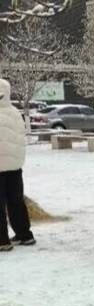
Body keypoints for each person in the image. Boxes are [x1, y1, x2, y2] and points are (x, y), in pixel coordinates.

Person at [0, 79, 34, 252]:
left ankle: (2, 240)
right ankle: (24, 234)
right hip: (14, 166)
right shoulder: (15, 112)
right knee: (16, 201)